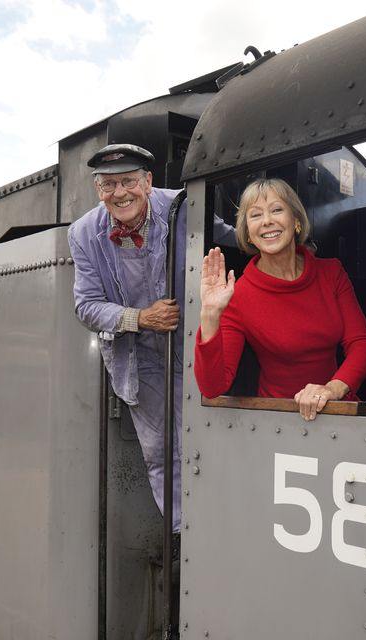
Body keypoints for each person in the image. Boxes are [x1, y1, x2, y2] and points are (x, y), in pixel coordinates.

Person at [68, 143, 234, 533]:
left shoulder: (182, 205)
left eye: (128, 181)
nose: (120, 193)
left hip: (193, 342)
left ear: (148, 181)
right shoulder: (84, 234)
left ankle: (222, 528)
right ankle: (183, 537)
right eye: (109, 185)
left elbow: (226, 238)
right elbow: (86, 306)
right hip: (136, 354)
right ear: (97, 190)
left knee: (211, 439)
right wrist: (140, 318)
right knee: (160, 451)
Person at [194, 178, 366, 421]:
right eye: (255, 215)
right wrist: (209, 315)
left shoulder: (331, 272)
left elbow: (362, 344)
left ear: (296, 221)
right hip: (280, 421)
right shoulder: (238, 295)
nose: (267, 221)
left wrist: (332, 389)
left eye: (277, 210)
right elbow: (213, 387)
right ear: (248, 234)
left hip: (337, 410)